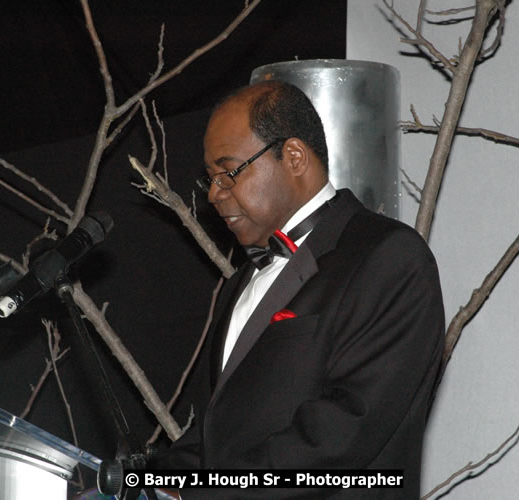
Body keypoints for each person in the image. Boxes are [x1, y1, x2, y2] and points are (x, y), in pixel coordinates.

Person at [157, 80, 445, 499]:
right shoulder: (240, 283)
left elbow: (341, 431)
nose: (215, 195)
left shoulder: (387, 256)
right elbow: (211, 438)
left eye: (229, 172)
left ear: (293, 157)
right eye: (211, 179)